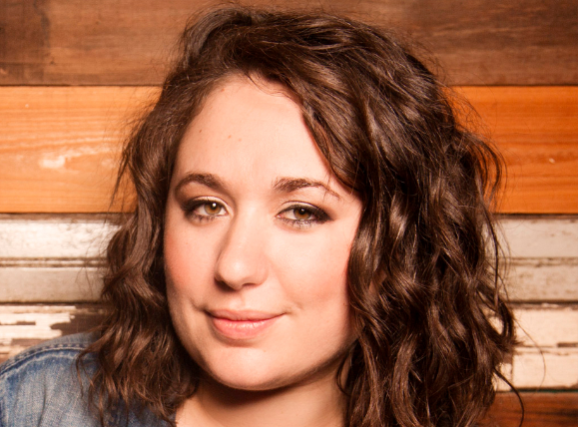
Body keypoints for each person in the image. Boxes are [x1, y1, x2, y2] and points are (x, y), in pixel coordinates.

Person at [0, 6, 516, 427]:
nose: (234, 267)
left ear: (399, 241)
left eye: (302, 212)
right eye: (207, 206)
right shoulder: (40, 404)